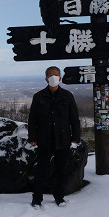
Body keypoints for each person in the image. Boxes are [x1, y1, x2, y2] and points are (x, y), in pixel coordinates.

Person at [27, 66, 81, 209]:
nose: (53, 78)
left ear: (60, 78)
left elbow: (74, 119)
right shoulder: (39, 97)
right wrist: (32, 137)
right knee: (41, 171)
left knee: (61, 171)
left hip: (63, 139)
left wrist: (76, 136)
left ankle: (59, 196)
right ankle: (37, 199)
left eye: (56, 75)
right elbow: (32, 119)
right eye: (51, 76)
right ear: (46, 79)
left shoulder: (67, 96)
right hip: (44, 139)